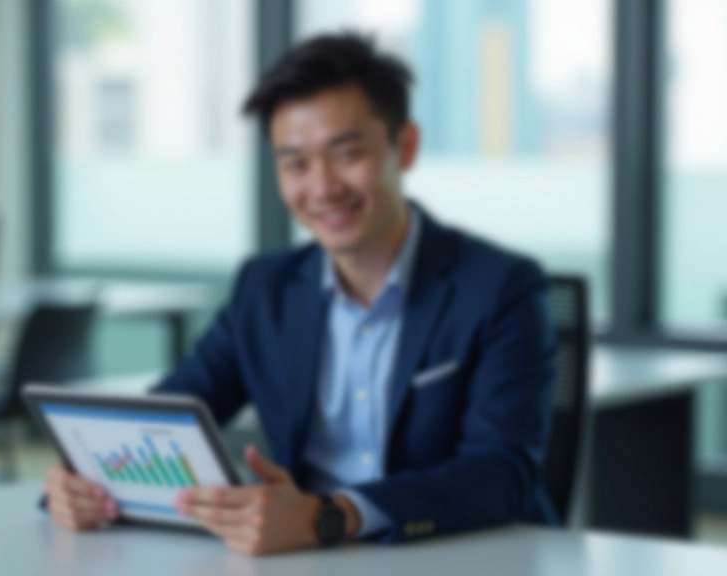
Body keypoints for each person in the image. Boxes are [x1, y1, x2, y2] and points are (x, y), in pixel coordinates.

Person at [42, 33, 557, 556]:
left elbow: (503, 473)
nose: (323, 187)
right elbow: (167, 418)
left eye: (347, 153)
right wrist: (81, 483)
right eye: (296, 164)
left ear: (405, 146)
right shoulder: (265, 289)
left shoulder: (499, 287)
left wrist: (328, 517)